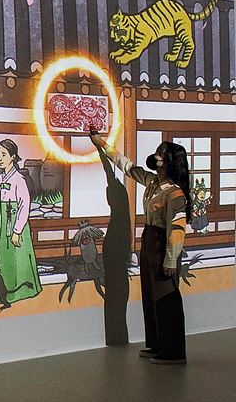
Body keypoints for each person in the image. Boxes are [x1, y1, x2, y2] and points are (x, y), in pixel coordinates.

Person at [91, 132, 190, 365]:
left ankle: (173, 351)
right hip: (149, 241)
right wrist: (101, 144)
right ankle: (156, 344)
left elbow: (177, 230)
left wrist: (170, 260)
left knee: (166, 298)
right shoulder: (153, 182)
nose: (156, 156)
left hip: (163, 245)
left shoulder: (175, 193)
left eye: (160, 154)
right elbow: (126, 166)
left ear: (169, 162)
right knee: (150, 295)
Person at [0, 139, 42, 304]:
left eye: (4, 155)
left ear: (13, 157)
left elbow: (24, 206)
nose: (0, 159)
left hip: (13, 224)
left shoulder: (19, 180)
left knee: (15, 258)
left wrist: (17, 231)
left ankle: (17, 292)